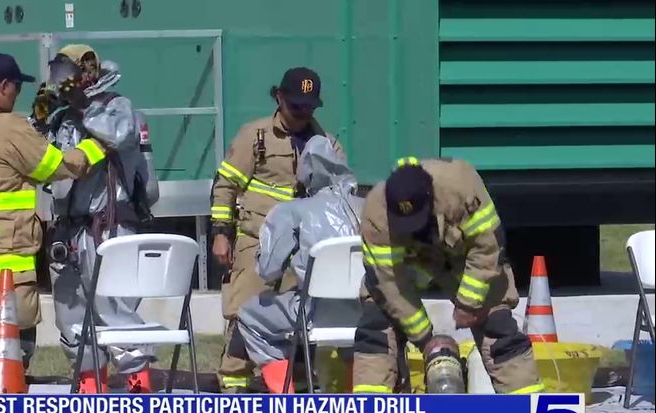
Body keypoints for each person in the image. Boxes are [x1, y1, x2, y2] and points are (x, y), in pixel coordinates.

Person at [0, 53, 104, 392]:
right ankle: (3, 410)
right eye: (16, 88)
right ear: (4, 86)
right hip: (2, 256)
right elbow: (55, 167)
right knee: (10, 336)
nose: (17, 95)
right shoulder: (9, 127)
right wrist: (95, 148)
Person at [353, 157, 545, 394]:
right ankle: (372, 407)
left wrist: (469, 303)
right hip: (408, 265)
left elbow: (488, 246)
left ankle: (529, 405)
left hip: (462, 258)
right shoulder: (376, 214)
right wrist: (424, 339)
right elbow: (389, 285)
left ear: (431, 197)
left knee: (498, 326)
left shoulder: (460, 184)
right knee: (377, 326)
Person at [30, 44, 159, 394]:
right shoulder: (62, 117)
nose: (60, 81)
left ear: (87, 72)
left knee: (114, 309)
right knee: (70, 313)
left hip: (109, 226)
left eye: (66, 74)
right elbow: (36, 160)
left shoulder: (118, 107)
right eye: (56, 74)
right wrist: (39, 120)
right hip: (67, 230)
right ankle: (89, 383)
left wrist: (83, 105)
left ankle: (138, 385)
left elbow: (119, 134)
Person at [211, 67, 343, 393]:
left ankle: (297, 386)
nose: (302, 113)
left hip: (303, 252)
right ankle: (235, 384)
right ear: (279, 98)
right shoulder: (254, 136)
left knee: (298, 320)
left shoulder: (326, 144)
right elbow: (225, 185)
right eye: (295, 105)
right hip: (256, 241)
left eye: (308, 107)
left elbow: (340, 193)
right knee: (244, 312)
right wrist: (221, 233)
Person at [236, 135, 363, 393]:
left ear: (306, 173)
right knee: (352, 343)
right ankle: (352, 395)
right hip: (365, 312)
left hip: (313, 313)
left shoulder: (295, 210)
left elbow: (268, 270)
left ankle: (286, 396)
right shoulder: (367, 207)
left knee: (249, 315)